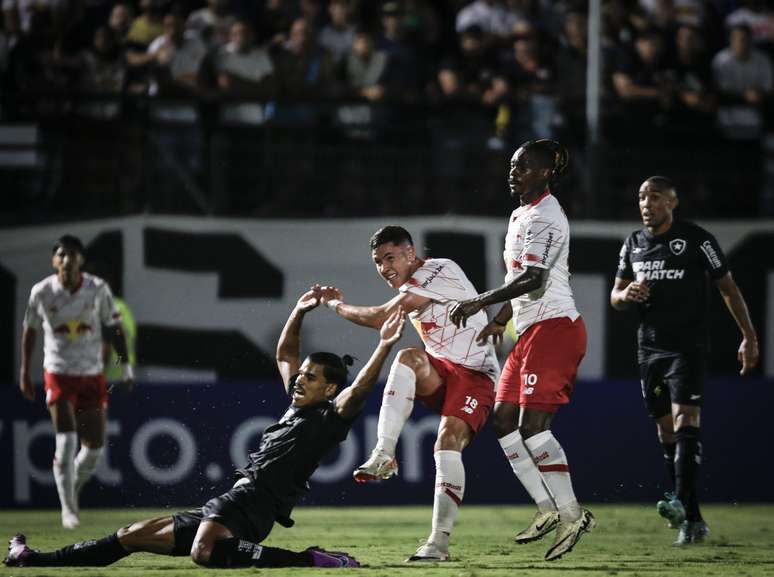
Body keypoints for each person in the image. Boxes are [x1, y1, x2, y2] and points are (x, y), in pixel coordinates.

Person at [6, 291, 406, 569]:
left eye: (310, 377)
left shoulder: (328, 418)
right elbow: (285, 354)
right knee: (130, 535)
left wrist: (384, 346)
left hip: (255, 505)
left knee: (205, 551)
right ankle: (34, 560)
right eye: (301, 375)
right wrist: (299, 312)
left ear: (330, 388)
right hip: (234, 497)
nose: (299, 380)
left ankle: (313, 559)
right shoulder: (295, 402)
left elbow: (359, 391)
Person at [314, 225, 500, 562]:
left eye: (390, 258)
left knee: (446, 443)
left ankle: (438, 543)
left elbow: (383, 317)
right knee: (408, 357)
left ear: (411, 254)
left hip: (477, 375)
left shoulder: (439, 270)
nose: (385, 268)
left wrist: (335, 305)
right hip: (443, 371)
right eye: (378, 262)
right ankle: (384, 453)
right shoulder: (413, 282)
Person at [448, 139, 594, 561]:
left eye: (524, 165)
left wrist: (479, 302)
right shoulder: (519, 214)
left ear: (547, 172)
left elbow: (534, 279)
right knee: (503, 420)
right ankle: (547, 508)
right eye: (513, 164)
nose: (513, 171)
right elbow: (519, 277)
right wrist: (499, 320)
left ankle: (572, 513)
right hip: (530, 331)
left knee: (533, 427)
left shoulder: (548, 215)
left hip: (556, 329)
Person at [610, 176, 759, 545]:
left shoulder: (697, 239)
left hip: (687, 348)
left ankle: (683, 511)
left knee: (685, 419)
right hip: (650, 350)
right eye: (642, 197)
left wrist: (749, 336)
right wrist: (626, 293)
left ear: (672, 203)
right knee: (665, 431)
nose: (646, 203)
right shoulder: (633, 244)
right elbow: (615, 296)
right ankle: (691, 514)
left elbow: (728, 287)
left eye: (655, 197)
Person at [19, 235, 134, 529]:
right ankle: (68, 510)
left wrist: (126, 367)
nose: (67, 260)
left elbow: (114, 327)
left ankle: (71, 489)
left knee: (94, 449)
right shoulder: (42, 292)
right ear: (54, 261)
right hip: (58, 373)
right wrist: (24, 371)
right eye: (61, 255)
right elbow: (30, 331)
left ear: (81, 260)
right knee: (67, 440)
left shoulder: (97, 289)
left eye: (72, 254)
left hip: (92, 374)